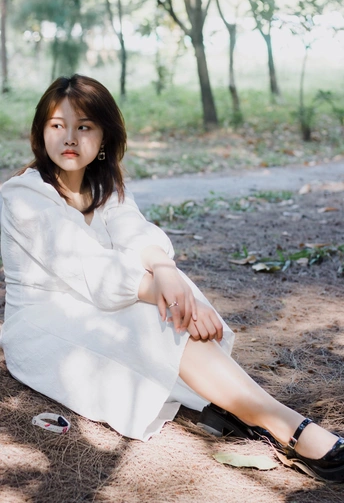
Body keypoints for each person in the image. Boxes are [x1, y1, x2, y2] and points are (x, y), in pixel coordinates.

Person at [1, 73, 343, 482]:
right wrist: (175, 298)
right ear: (41, 133)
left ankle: (242, 409)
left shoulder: (103, 186)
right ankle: (286, 425)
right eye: (58, 125)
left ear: (104, 137)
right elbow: (90, 267)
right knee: (156, 307)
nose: (70, 138)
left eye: (84, 127)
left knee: (169, 288)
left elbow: (135, 233)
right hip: (44, 323)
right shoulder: (23, 196)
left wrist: (166, 271)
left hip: (96, 303)